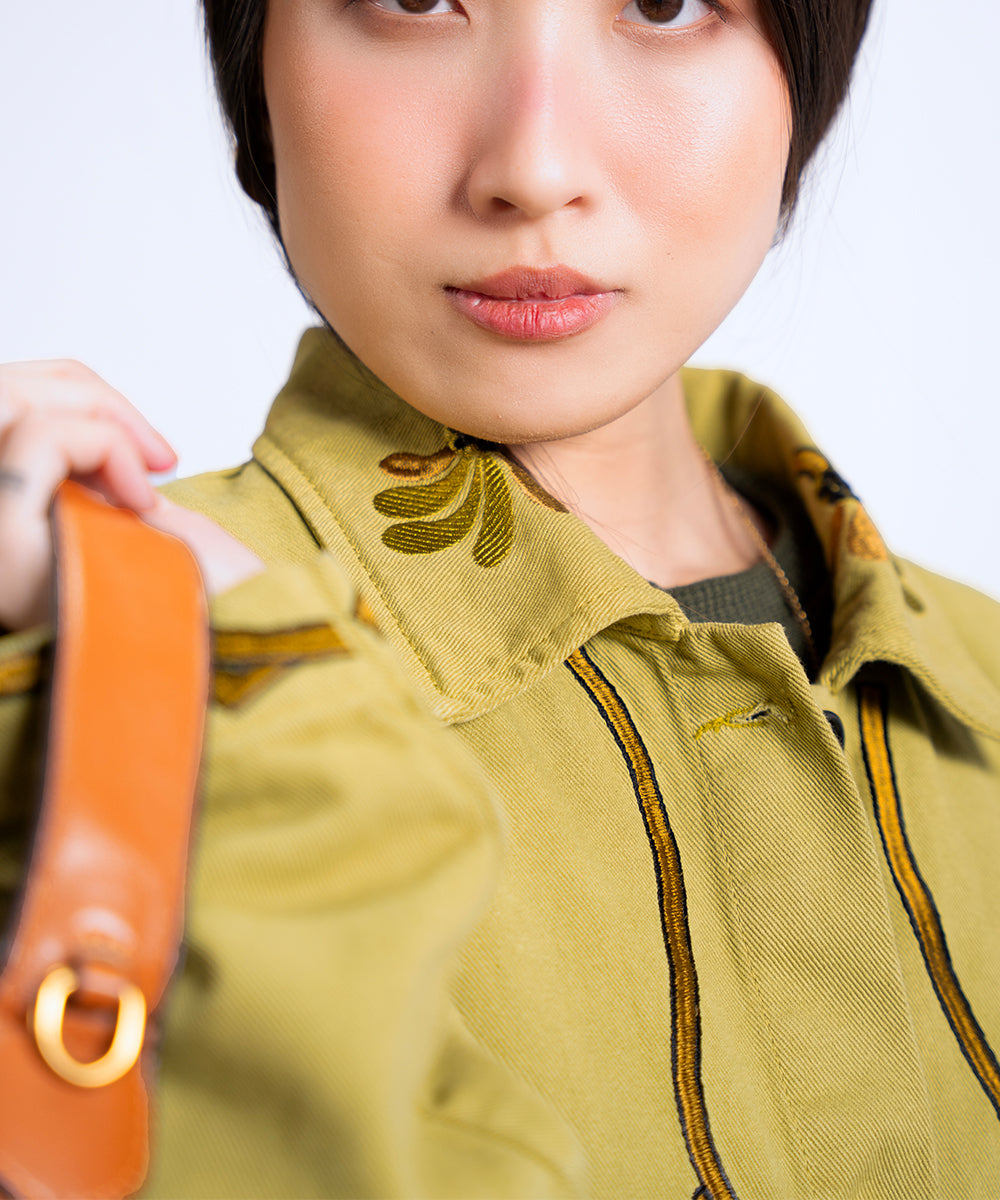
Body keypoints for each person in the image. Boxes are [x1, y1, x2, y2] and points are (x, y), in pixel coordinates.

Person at [1, 0, 998, 1196]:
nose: (534, 169)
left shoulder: (982, 679)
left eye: (665, 4)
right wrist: (235, 716)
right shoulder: (64, 649)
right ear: (254, 56)